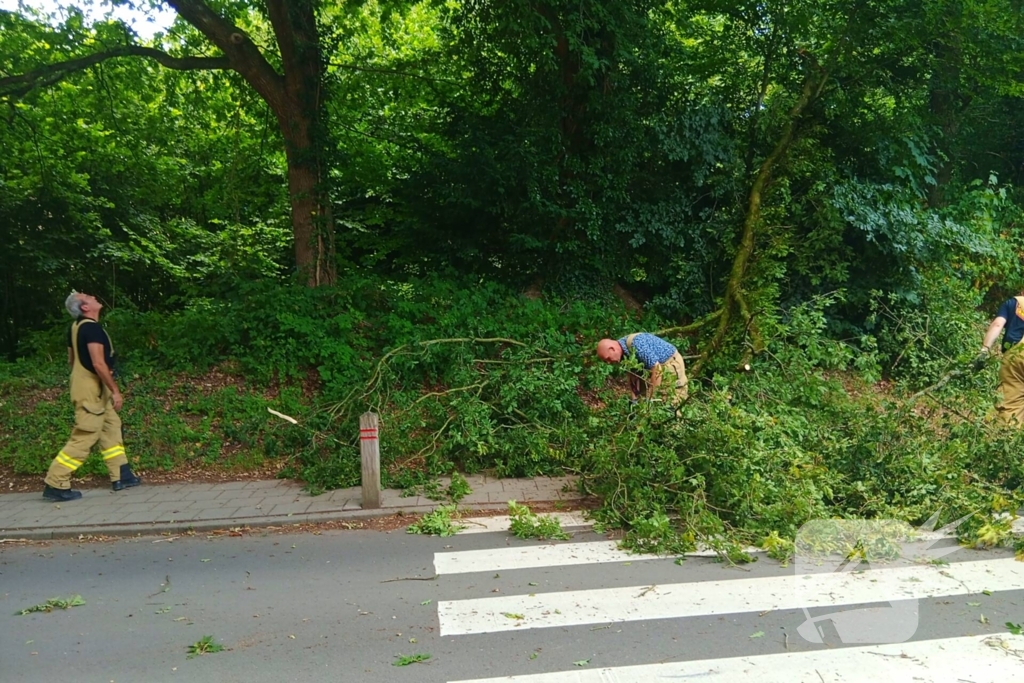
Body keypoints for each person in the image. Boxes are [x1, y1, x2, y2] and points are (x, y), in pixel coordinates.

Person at [42, 292, 141, 501]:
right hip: (92, 390)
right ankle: (56, 482)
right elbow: (98, 363)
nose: (95, 297)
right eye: (88, 296)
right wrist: (115, 390)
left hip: (88, 386)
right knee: (85, 435)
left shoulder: (75, 327)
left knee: (111, 427)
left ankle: (121, 474)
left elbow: (71, 360)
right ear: (85, 307)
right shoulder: (92, 329)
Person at [597, 333, 689, 403]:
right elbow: (632, 374)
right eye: (606, 361)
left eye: (608, 358)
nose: (609, 362)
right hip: (653, 368)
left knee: (668, 400)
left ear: (612, 349)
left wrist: (650, 399)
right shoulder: (623, 353)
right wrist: (634, 400)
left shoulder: (636, 345)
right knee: (643, 397)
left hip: (669, 364)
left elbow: (657, 370)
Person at [977, 292, 1024, 424]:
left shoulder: (1013, 303)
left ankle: (1008, 437)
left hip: (1015, 357)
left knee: (1011, 404)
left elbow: (997, 324)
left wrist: (984, 350)